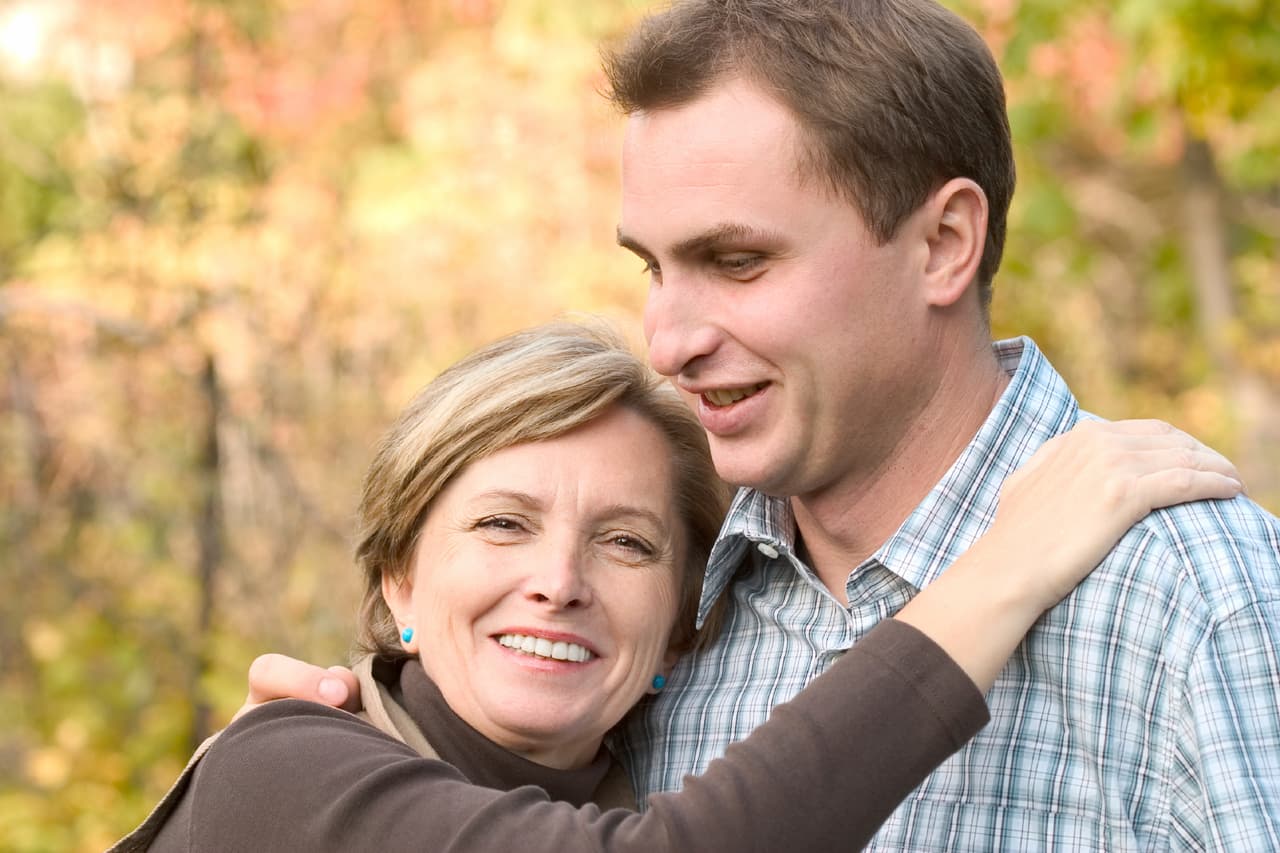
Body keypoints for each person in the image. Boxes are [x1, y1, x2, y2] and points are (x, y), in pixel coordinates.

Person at [245, 1, 1280, 849]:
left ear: (942, 244)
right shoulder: (675, 614)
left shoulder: (1189, 588)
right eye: (651, 268)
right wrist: (320, 769)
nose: (667, 339)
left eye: (736, 262)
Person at [116, 321, 1240, 853]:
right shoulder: (284, 767)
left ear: (680, 625)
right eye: (502, 524)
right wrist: (999, 568)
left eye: (625, 544)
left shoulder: (655, 770)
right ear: (401, 573)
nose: (556, 581)